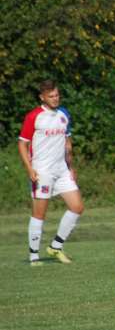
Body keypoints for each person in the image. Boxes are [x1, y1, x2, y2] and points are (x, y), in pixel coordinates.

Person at [17, 80, 84, 266]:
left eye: (57, 95)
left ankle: (55, 247)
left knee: (77, 207)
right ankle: (34, 256)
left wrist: (71, 167)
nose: (56, 99)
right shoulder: (34, 116)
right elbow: (22, 143)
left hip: (62, 170)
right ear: (42, 97)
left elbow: (67, 143)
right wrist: (29, 168)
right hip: (42, 170)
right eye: (51, 96)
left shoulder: (64, 114)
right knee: (40, 213)